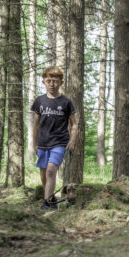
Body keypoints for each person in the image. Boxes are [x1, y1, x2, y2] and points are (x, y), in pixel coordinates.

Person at [31, 66, 77, 211]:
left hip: (60, 142)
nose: (52, 84)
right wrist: (34, 143)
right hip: (43, 142)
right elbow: (36, 125)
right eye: (49, 81)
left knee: (51, 170)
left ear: (61, 83)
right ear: (43, 82)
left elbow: (74, 124)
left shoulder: (66, 102)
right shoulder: (40, 101)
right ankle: (52, 198)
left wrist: (72, 141)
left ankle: (46, 203)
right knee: (44, 173)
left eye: (55, 81)